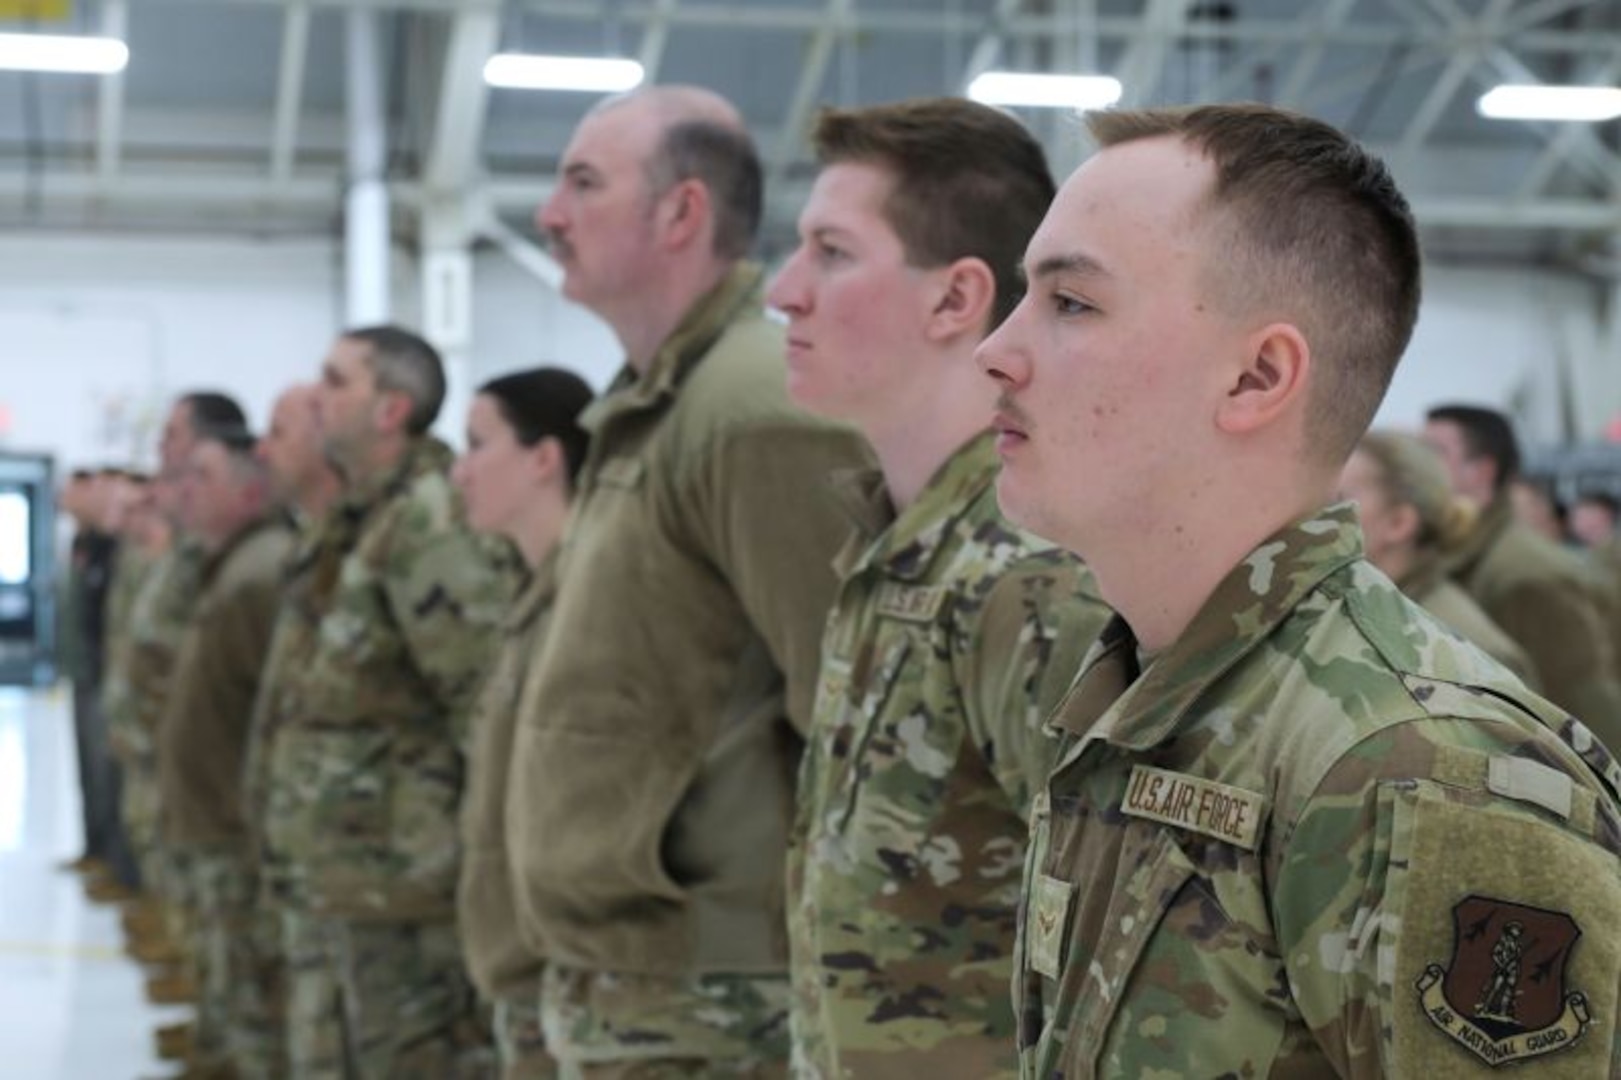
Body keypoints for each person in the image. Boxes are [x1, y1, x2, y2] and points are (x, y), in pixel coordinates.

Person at [976, 103, 1621, 1077]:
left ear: (1255, 377)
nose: (997, 349)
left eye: (1071, 303)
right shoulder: (1144, 699)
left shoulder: (1419, 775)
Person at [508, 85, 871, 1077]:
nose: (549, 213)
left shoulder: (753, 408)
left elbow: (849, 711)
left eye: (583, 182)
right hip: (637, 969)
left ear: (682, 214)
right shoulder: (659, 401)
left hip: (712, 981)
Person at [764, 97, 1110, 1078]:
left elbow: (1116, 960)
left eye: (831, 252)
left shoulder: (1026, 576)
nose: (785, 291)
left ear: (955, 301)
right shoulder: (900, 553)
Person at [259, 327, 520, 1079]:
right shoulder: (360, 522)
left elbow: (483, 705)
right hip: (358, 881)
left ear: (390, 410)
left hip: (414, 890)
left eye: (335, 381)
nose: (316, 396)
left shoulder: (429, 521)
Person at [451, 367, 594, 1080]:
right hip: (518, 967)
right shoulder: (535, 591)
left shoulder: (591, 600)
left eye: (477, 445)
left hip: (564, 969)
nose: (459, 471)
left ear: (545, 458)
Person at [157, 426, 295, 1079]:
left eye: (201, 478)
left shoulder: (263, 569)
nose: (184, 493)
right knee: (229, 978)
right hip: (214, 814)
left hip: (237, 824)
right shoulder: (231, 564)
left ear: (249, 492)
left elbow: (273, 710)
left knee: (257, 1000)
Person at [1425, 404, 1621, 751]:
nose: (1419, 464)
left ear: (1482, 471)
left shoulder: (1527, 573)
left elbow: (1589, 718)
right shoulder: (1463, 556)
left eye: (1434, 452)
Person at [1339, 431, 1537, 685]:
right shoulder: (1370, 610)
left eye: (1340, 499)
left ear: (1399, 523)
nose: (1322, 513)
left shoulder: (1472, 654)